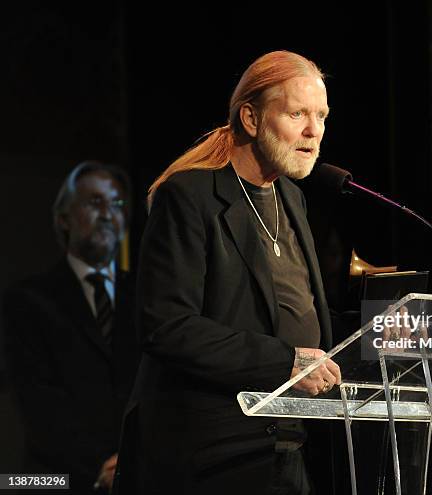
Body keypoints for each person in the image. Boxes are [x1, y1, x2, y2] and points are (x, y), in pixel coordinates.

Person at [113, 51, 341, 494]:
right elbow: (167, 326)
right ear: (251, 118)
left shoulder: (292, 200)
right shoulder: (190, 195)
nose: (315, 132)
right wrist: (287, 362)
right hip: (212, 458)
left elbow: (295, 314)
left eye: (322, 116)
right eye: (298, 114)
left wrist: (382, 335)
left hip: (289, 448)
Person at [2, 161, 141, 493]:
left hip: (140, 474)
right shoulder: (27, 300)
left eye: (117, 204)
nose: (108, 213)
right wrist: (101, 466)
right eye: (95, 202)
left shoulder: (148, 295)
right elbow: (38, 402)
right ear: (64, 218)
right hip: (57, 480)